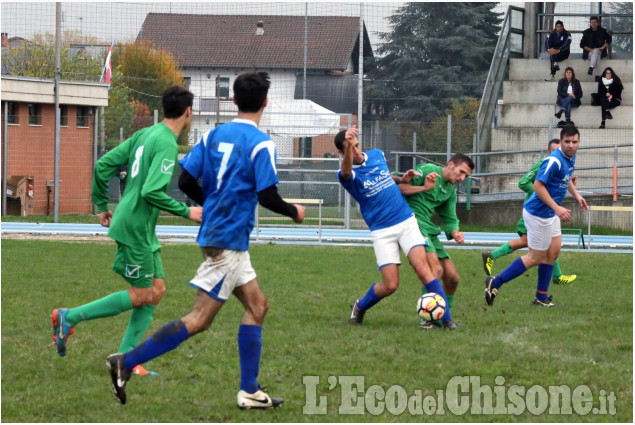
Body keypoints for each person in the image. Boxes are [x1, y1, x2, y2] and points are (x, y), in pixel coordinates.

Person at [105, 72, 306, 409]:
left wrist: (209, 203)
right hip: (228, 239)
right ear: (265, 103)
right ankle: (125, 361)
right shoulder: (261, 144)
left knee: (258, 307)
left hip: (224, 236)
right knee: (199, 319)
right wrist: (294, 211)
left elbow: (184, 180)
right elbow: (268, 196)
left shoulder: (213, 134)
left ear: (233, 101)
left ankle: (250, 391)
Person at [52, 87, 203, 375]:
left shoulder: (145, 134)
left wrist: (101, 205)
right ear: (188, 112)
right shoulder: (167, 143)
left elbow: (103, 164)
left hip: (137, 225)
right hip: (134, 226)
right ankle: (68, 317)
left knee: (156, 291)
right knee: (142, 293)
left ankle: (128, 361)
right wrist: (188, 211)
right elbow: (151, 191)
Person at [335, 125, 457, 330]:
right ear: (341, 152)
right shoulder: (345, 174)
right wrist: (347, 146)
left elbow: (383, 174)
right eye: (350, 148)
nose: (356, 151)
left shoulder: (376, 155)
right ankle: (360, 306)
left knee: (423, 269)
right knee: (391, 285)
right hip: (382, 231)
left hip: (406, 220)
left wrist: (400, 179)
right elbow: (347, 171)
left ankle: (447, 320)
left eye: (356, 146)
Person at [484, 125, 588, 307]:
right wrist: (557, 208)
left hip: (550, 213)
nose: (571, 145)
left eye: (575, 142)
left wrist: (577, 195)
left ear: (579, 142)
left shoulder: (571, 157)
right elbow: (538, 186)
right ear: (561, 141)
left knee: (553, 253)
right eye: (567, 141)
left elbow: (566, 179)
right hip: (539, 214)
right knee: (536, 257)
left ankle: (541, 296)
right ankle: (495, 282)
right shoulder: (553, 161)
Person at [397, 153, 474, 320]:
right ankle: (428, 319)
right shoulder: (427, 170)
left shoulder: (450, 191)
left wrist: (455, 232)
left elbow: (450, 217)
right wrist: (423, 187)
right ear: (451, 164)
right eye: (461, 172)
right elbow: (400, 188)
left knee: (453, 278)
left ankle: (443, 318)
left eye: (466, 176)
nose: (462, 178)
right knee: (436, 270)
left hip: (429, 229)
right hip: (414, 224)